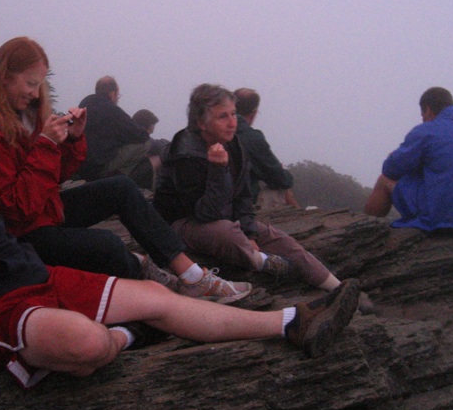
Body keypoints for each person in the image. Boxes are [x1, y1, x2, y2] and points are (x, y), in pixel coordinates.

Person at [0, 71, 362, 394]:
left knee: (158, 296)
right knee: (87, 344)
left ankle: (291, 324)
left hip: (27, 270)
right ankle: (127, 337)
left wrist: (58, 143)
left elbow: (38, 192)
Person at [0, 37, 251, 304]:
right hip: (22, 234)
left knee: (121, 187)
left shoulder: (27, 116)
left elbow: (54, 176)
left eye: (40, 84)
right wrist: (46, 145)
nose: (35, 93)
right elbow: (15, 209)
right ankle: (160, 290)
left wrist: (72, 140)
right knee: (108, 244)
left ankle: (192, 276)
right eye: (30, 83)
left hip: (46, 212)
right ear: (5, 76)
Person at [153, 84, 371, 311]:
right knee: (226, 233)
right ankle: (263, 262)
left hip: (226, 218)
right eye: (222, 117)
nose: (232, 122)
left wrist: (249, 231)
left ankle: (338, 289)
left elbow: (243, 196)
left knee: (277, 238)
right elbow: (206, 214)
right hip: (182, 224)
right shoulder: (186, 154)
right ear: (201, 123)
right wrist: (218, 170)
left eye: (233, 115)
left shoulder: (235, 145)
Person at [364, 86, 453, 232]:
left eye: (422, 116)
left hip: (447, 218)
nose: (423, 121)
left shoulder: (428, 130)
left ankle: (364, 232)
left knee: (383, 181)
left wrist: (392, 156)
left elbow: (391, 169)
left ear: (428, 110)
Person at [77, 76, 153, 188]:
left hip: (80, 164)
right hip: (99, 166)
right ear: (112, 94)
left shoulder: (84, 104)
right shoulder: (112, 110)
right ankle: (118, 177)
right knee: (146, 143)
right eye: (118, 96)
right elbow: (140, 135)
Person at [234, 88, 299, 207]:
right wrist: (285, 174)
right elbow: (279, 178)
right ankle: (302, 220)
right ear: (253, 113)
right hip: (240, 204)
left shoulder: (211, 129)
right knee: (283, 190)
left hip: (214, 200)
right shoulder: (250, 137)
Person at [132, 108, 170, 187]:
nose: (149, 134)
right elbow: (160, 146)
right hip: (132, 175)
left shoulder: (130, 135)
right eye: (149, 132)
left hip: (130, 173)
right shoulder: (139, 138)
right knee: (162, 156)